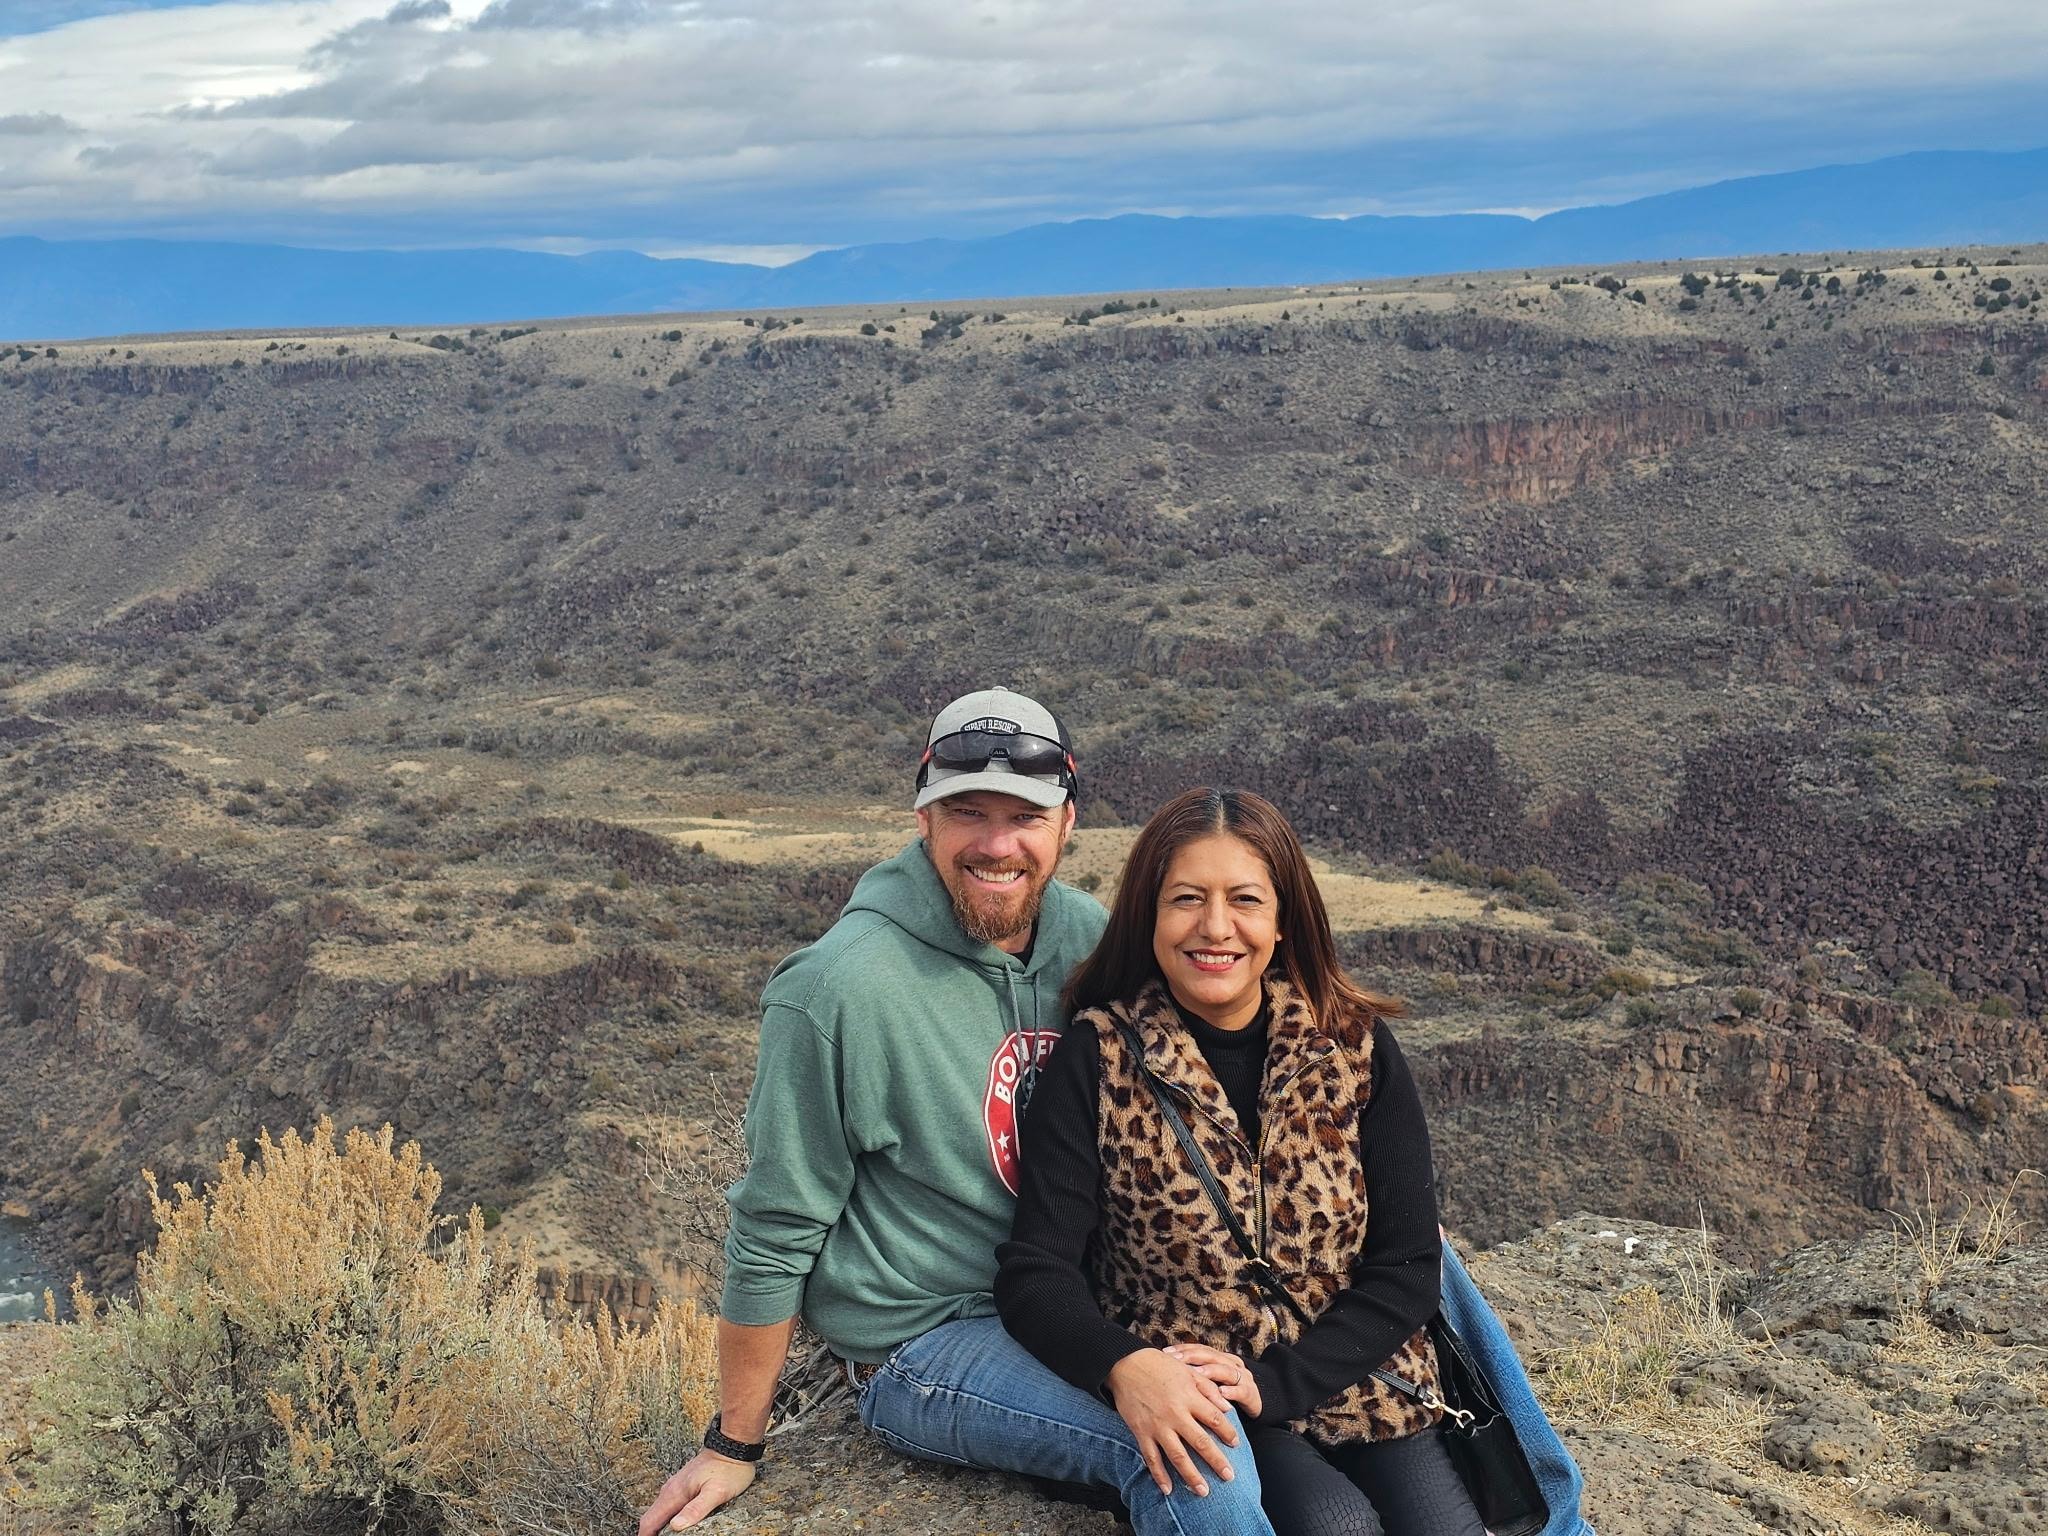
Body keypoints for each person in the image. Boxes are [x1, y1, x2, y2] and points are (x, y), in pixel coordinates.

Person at [637, 691, 1276, 1536]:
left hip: (1081, 1296)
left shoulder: (1092, 942)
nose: (997, 844)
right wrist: (733, 1444)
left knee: (1416, 1269)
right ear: (925, 819)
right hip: (931, 1338)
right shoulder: (839, 990)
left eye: (1025, 816)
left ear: (1067, 822)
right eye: (968, 812)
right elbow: (775, 1224)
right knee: (1197, 1450)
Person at [996, 786, 1489, 1536]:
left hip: (1362, 1379)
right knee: (1338, 1528)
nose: (1216, 927)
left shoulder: (1351, 1047)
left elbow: (1408, 1262)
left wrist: (1282, 1382)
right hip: (1206, 1400)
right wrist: (1123, 1366)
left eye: (1246, 900)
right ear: (1148, 915)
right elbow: (1037, 1273)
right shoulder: (1098, 1060)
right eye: (1186, 899)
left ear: (1284, 919)